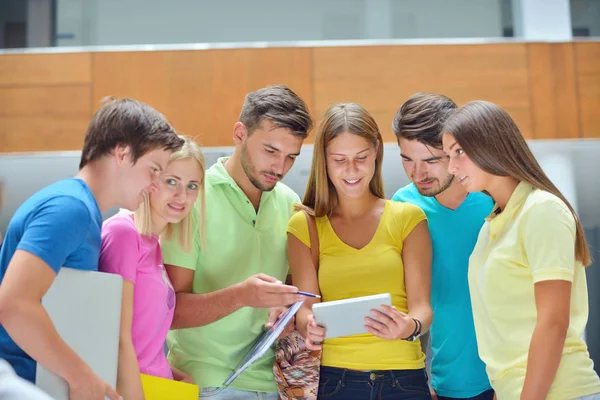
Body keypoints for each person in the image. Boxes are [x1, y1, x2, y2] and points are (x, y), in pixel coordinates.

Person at [0, 97, 184, 400]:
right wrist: (81, 377)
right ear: (122, 152)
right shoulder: (71, 208)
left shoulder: (82, 211)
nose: (154, 184)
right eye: (154, 169)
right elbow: (13, 304)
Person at [161, 85, 313, 399]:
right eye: (270, 151)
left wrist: (286, 315)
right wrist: (242, 296)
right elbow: (169, 311)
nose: (280, 168)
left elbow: (292, 293)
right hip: (207, 383)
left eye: (291, 157)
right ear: (239, 133)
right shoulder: (192, 197)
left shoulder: (290, 202)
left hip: (278, 384)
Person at [442, 100, 600, 400]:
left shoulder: (542, 210)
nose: (451, 167)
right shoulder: (490, 227)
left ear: (490, 143)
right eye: (449, 155)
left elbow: (553, 322)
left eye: (459, 151)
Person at [288, 102, 433, 399]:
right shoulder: (305, 226)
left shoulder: (409, 218)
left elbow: (422, 309)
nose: (351, 170)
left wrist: (408, 326)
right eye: (339, 159)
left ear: (376, 151)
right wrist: (309, 326)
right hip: (333, 382)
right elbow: (303, 310)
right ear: (323, 161)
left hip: (403, 379)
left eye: (360, 157)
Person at [391, 93, 493, 400]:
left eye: (431, 160)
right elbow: (407, 301)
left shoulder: (494, 198)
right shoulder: (401, 207)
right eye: (407, 159)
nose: (417, 173)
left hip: (514, 380)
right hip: (447, 385)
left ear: (456, 149)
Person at [99, 135, 204, 399]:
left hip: (160, 387)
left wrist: (169, 372)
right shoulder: (123, 233)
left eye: (192, 186)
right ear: (150, 180)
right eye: (172, 182)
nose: (182, 195)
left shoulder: (155, 245)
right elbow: (116, 339)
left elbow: (143, 340)